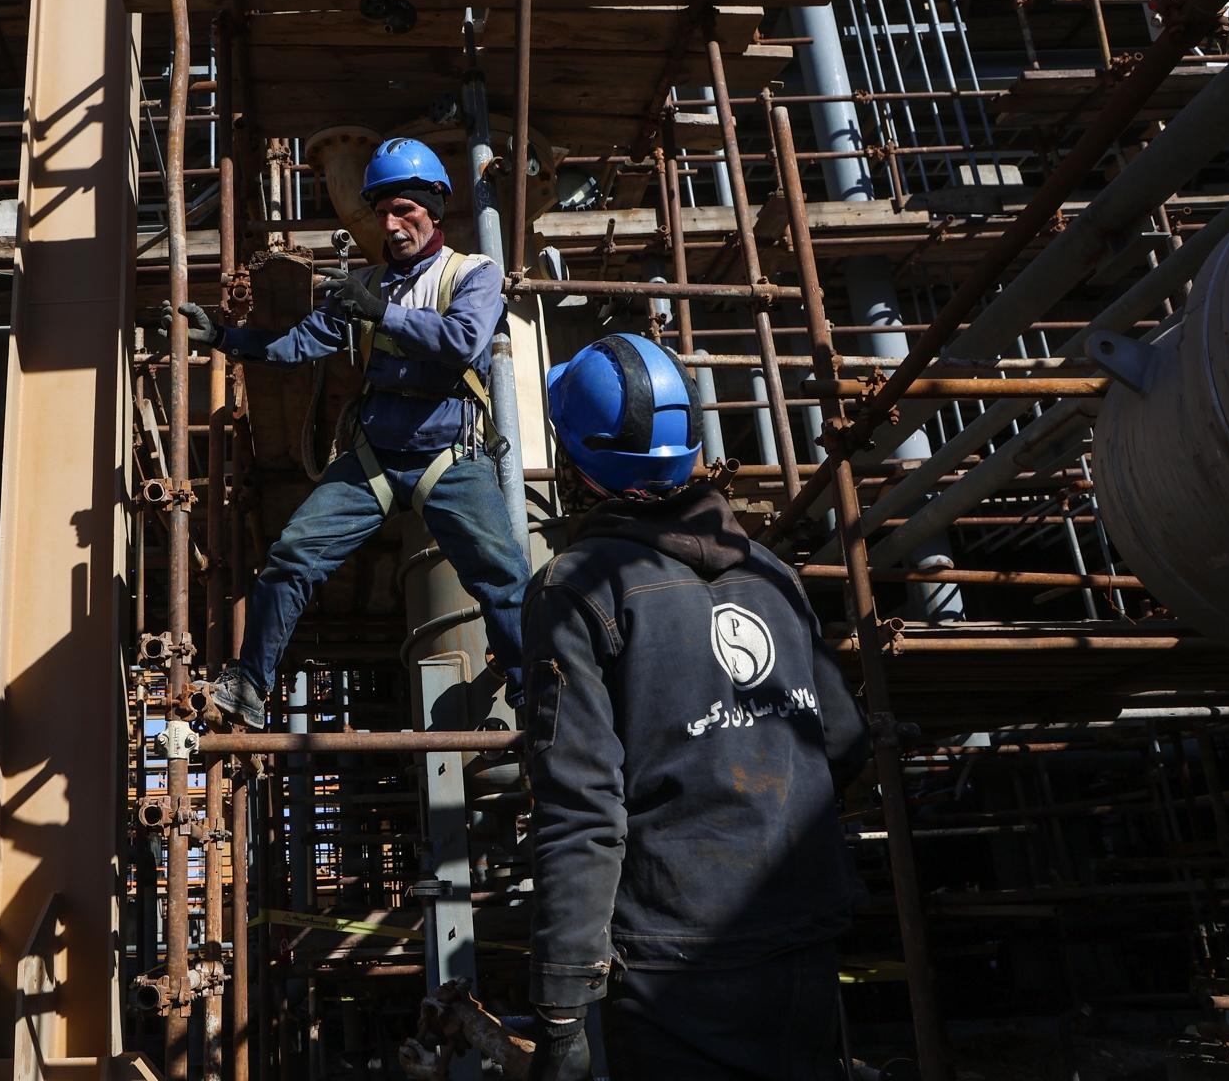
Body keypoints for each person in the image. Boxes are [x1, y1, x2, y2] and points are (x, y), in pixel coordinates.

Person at [522, 333, 870, 1080]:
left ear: (575, 461)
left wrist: (561, 1002)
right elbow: (842, 741)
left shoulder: (577, 586)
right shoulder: (774, 573)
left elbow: (583, 809)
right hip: (801, 932)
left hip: (678, 959)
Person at [159, 138, 533, 731]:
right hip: (376, 457)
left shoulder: (474, 274)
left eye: (405, 208)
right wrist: (227, 339)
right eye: (383, 211)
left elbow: (463, 340)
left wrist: (378, 312)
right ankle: (250, 687)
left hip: (452, 457)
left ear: (434, 206)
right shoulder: (370, 284)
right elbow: (299, 343)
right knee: (290, 558)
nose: (392, 223)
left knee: (505, 579)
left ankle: (532, 693)